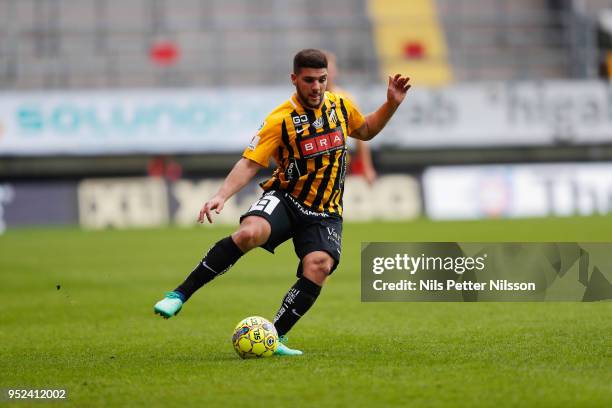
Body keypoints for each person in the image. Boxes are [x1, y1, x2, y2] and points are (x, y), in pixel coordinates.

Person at [154, 49, 411, 356]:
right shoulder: (280, 120)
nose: (316, 87)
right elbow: (250, 163)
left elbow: (366, 129)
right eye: (309, 80)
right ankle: (179, 294)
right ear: (294, 80)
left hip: (325, 211)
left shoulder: (341, 106)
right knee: (250, 233)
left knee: (319, 265)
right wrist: (221, 195)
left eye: (322, 79)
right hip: (286, 199)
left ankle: (275, 336)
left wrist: (391, 105)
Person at [323, 50, 377, 185]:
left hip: (337, 164)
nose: (328, 75)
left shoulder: (345, 98)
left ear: (335, 72)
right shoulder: (306, 99)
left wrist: (367, 168)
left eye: (330, 70)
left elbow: (361, 134)